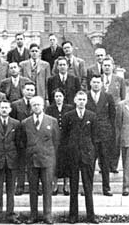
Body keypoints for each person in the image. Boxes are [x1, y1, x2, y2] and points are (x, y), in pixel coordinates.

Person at [22, 96, 60, 224]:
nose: (36, 107)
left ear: (43, 106)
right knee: (33, 189)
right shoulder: (25, 123)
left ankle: (47, 215)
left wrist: (50, 156)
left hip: (47, 160)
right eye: (34, 105)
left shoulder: (52, 121)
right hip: (32, 160)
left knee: (47, 188)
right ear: (31, 107)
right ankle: (33, 215)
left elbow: (56, 141)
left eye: (39, 104)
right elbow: (23, 141)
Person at [62, 91, 98, 224]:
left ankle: (91, 215)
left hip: (87, 155)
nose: (82, 102)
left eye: (84, 99)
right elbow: (64, 137)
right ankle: (73, 215)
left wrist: (93, 154)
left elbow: (95, 137)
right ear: (75, 100)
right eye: (79, 99)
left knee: (88, 186)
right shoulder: (68, 116)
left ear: (86, 101)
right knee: (73, 186)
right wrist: (67, 153)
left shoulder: (92, 116)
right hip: (73, 155)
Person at [0, 101, 21, 223]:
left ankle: (11, 213)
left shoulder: (16, 124)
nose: (4, 110)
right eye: (2, 108)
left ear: (10, 109)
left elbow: (18, 142)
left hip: (12, 159)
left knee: (11, 189)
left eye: (7, 107)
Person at [86, 75, 116, 196]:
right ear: (90, 83)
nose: (96, 84)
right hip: (90, 135)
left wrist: (110, 132)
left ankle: (106, 188)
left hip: (104, 135)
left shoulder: (108, 97)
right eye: (94, 82)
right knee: (90, 163)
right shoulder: (86, 97)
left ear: (102, 84)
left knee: (105, 163)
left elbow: (112, 116)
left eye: (98, 82)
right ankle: (88, 188)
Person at [45, 89, 73, 196]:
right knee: (55, 162)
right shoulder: (50, 109)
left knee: (66, 162)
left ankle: (66, 185)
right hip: (54, 139)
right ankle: (55, 184)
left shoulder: (69, 108)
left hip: (66, 139)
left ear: (64, 97)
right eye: (56, 96)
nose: (58, 98)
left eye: (60, 96)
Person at [10, 81, 36, 195]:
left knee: (34, 163)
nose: (30, 92)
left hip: (34, 138)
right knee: (20, 163)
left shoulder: (37, 104)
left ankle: (34, 186)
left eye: (32, 90)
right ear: (23, 91)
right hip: (20, 138)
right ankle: (20, 186)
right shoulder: (15, 104)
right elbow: (13, 122)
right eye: (28, 90)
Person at [100, 57, 126, 173]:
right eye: (104, 65)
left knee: (115, 139)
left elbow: (123, 98)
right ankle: (103, 165)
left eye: (108, 65)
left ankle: (113, 165)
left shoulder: (119, 80)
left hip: (115, 113)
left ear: (113, 66)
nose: (106, 67)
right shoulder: (98, 79)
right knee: (102, 139)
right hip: (102, 113)